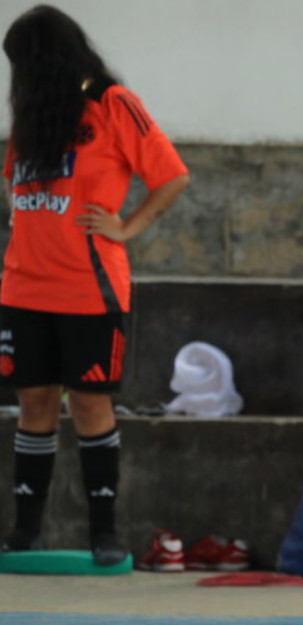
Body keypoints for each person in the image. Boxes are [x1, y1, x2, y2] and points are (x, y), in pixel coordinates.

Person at [0, 5, 189, 565]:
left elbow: (172, 174)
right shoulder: (32, 115)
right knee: (33, 402)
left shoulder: (112, 103)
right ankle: (25, 530)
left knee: (89, 405)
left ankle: (103, 532)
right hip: (22, 287)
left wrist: (127, 227)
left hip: (90, 288)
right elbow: (18, 189)